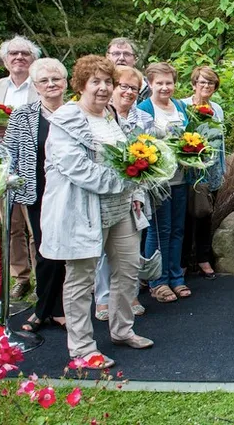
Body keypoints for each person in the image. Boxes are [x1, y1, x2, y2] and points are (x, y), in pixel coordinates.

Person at [41, 55, 153, 369]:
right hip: (83, 211)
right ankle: (82, 348)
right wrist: (125, 180)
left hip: (121, 209)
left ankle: (122, 330)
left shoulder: (111, 115)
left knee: (128, 270)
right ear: (81, 85)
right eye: (96, 82)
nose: (103, 88)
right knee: (81, 280)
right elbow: (77, 168)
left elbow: (130, 159)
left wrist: (136, 188)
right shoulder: (67, 119)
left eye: (107, 82)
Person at [3, 58, 68, 332]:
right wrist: (6, 178)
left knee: (66, 252)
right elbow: (9, 152)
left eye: (56, 79)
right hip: (37, 193)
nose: (51, 84)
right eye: (44, 80)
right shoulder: (23, 115)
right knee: (45, 250)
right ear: (36, 86)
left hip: (70, 193)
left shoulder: (75, 112)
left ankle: (60, 309)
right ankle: (44, 309)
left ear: (65, 83)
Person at [0, 35, 40, 301]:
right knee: (11, 226)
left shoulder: (40, 85)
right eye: (14, 53)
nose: (19, 57)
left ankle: (42, 278)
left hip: (32, 164)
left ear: (33, 59)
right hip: (1, 165)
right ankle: (21, 278)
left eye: (25, 53)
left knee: (35, 225)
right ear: (5, 60)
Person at [94, 66, 153, 321]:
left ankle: (130, 296)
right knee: (101, 249)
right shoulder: (100, 115)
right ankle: (103, 298)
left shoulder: (144, 119)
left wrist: (139, 192)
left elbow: (150, 157)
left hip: (133, 190)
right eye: (123, 86)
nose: (128, 92)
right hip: (103, 191)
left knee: (129, 249)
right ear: (113, 87)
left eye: (134, 88)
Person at [138, 63, 192, 303]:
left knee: (178, 229)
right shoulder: (144, 109)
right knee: (159, 230)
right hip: (157, 181)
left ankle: (175, 276)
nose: (164, 87)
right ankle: (157, 281)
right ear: (150, 84)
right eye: (159, 83)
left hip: (179, 178)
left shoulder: (180, 107)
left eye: (169, 82)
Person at [180, 66, 226, 280]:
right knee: (186, 218)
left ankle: (203, 258)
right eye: (202, 82)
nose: (206, 86)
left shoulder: (217, 109)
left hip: (212, 171)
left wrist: (222, 169)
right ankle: (182, 261)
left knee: (205, 214)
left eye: (211, 83)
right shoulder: (183, 106)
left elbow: (221, 142)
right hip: (189, 171)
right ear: (194, 84)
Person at [106, 37, 150, 102]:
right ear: (107, 57)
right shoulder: (99, 83)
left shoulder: (148, 87)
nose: (121, 58)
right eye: (116, 54)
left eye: (126, 54)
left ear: (135, 59)